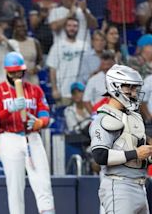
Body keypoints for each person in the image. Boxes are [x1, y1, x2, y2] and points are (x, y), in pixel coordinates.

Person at [0, 52, 54, 214]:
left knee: (43, 182)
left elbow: (44, 111)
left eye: (19, 71)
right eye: (13, 72)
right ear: (7, 72)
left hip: (32, 136)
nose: (16, 75)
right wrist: (8, 110)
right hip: (9, 137)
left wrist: (40, 122)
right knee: (15, 186)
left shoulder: (34, 90)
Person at [90, 64, 152, 214]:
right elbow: (100, 155)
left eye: (135, 89)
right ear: (115, 87)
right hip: (119, 186)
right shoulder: (103, 118)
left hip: (139, 185)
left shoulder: (134, 116)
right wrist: (136, 153)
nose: (134, 93)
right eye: (129, 88)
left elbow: (137, 151)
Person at [47, 17, 90, 106]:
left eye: (75, 26)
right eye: (69, 26)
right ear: (65, 28)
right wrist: (54, 89)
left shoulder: (85, 46)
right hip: (63, 93)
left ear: (78, 28)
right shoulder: (57, 46)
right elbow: (52, 70)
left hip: (82, 92)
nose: (72, 28)